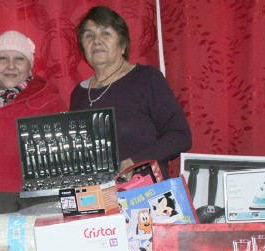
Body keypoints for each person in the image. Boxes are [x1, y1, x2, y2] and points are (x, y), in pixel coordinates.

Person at [70, 6, 192, 178]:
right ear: (83, 49)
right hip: (94, 198)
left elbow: (180, 136)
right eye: (89, 35)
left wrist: (135, 162)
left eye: (105, 33)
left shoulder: (146, 79)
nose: (96, 41)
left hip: (144, 195)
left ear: (123, 45)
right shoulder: (79, 93)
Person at [0, 30, 67, 193]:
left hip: (30, 206)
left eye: (19, 59)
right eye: (3, 58)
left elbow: (63, 162)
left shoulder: (50, 104)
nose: (11, 66)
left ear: (30, 65)